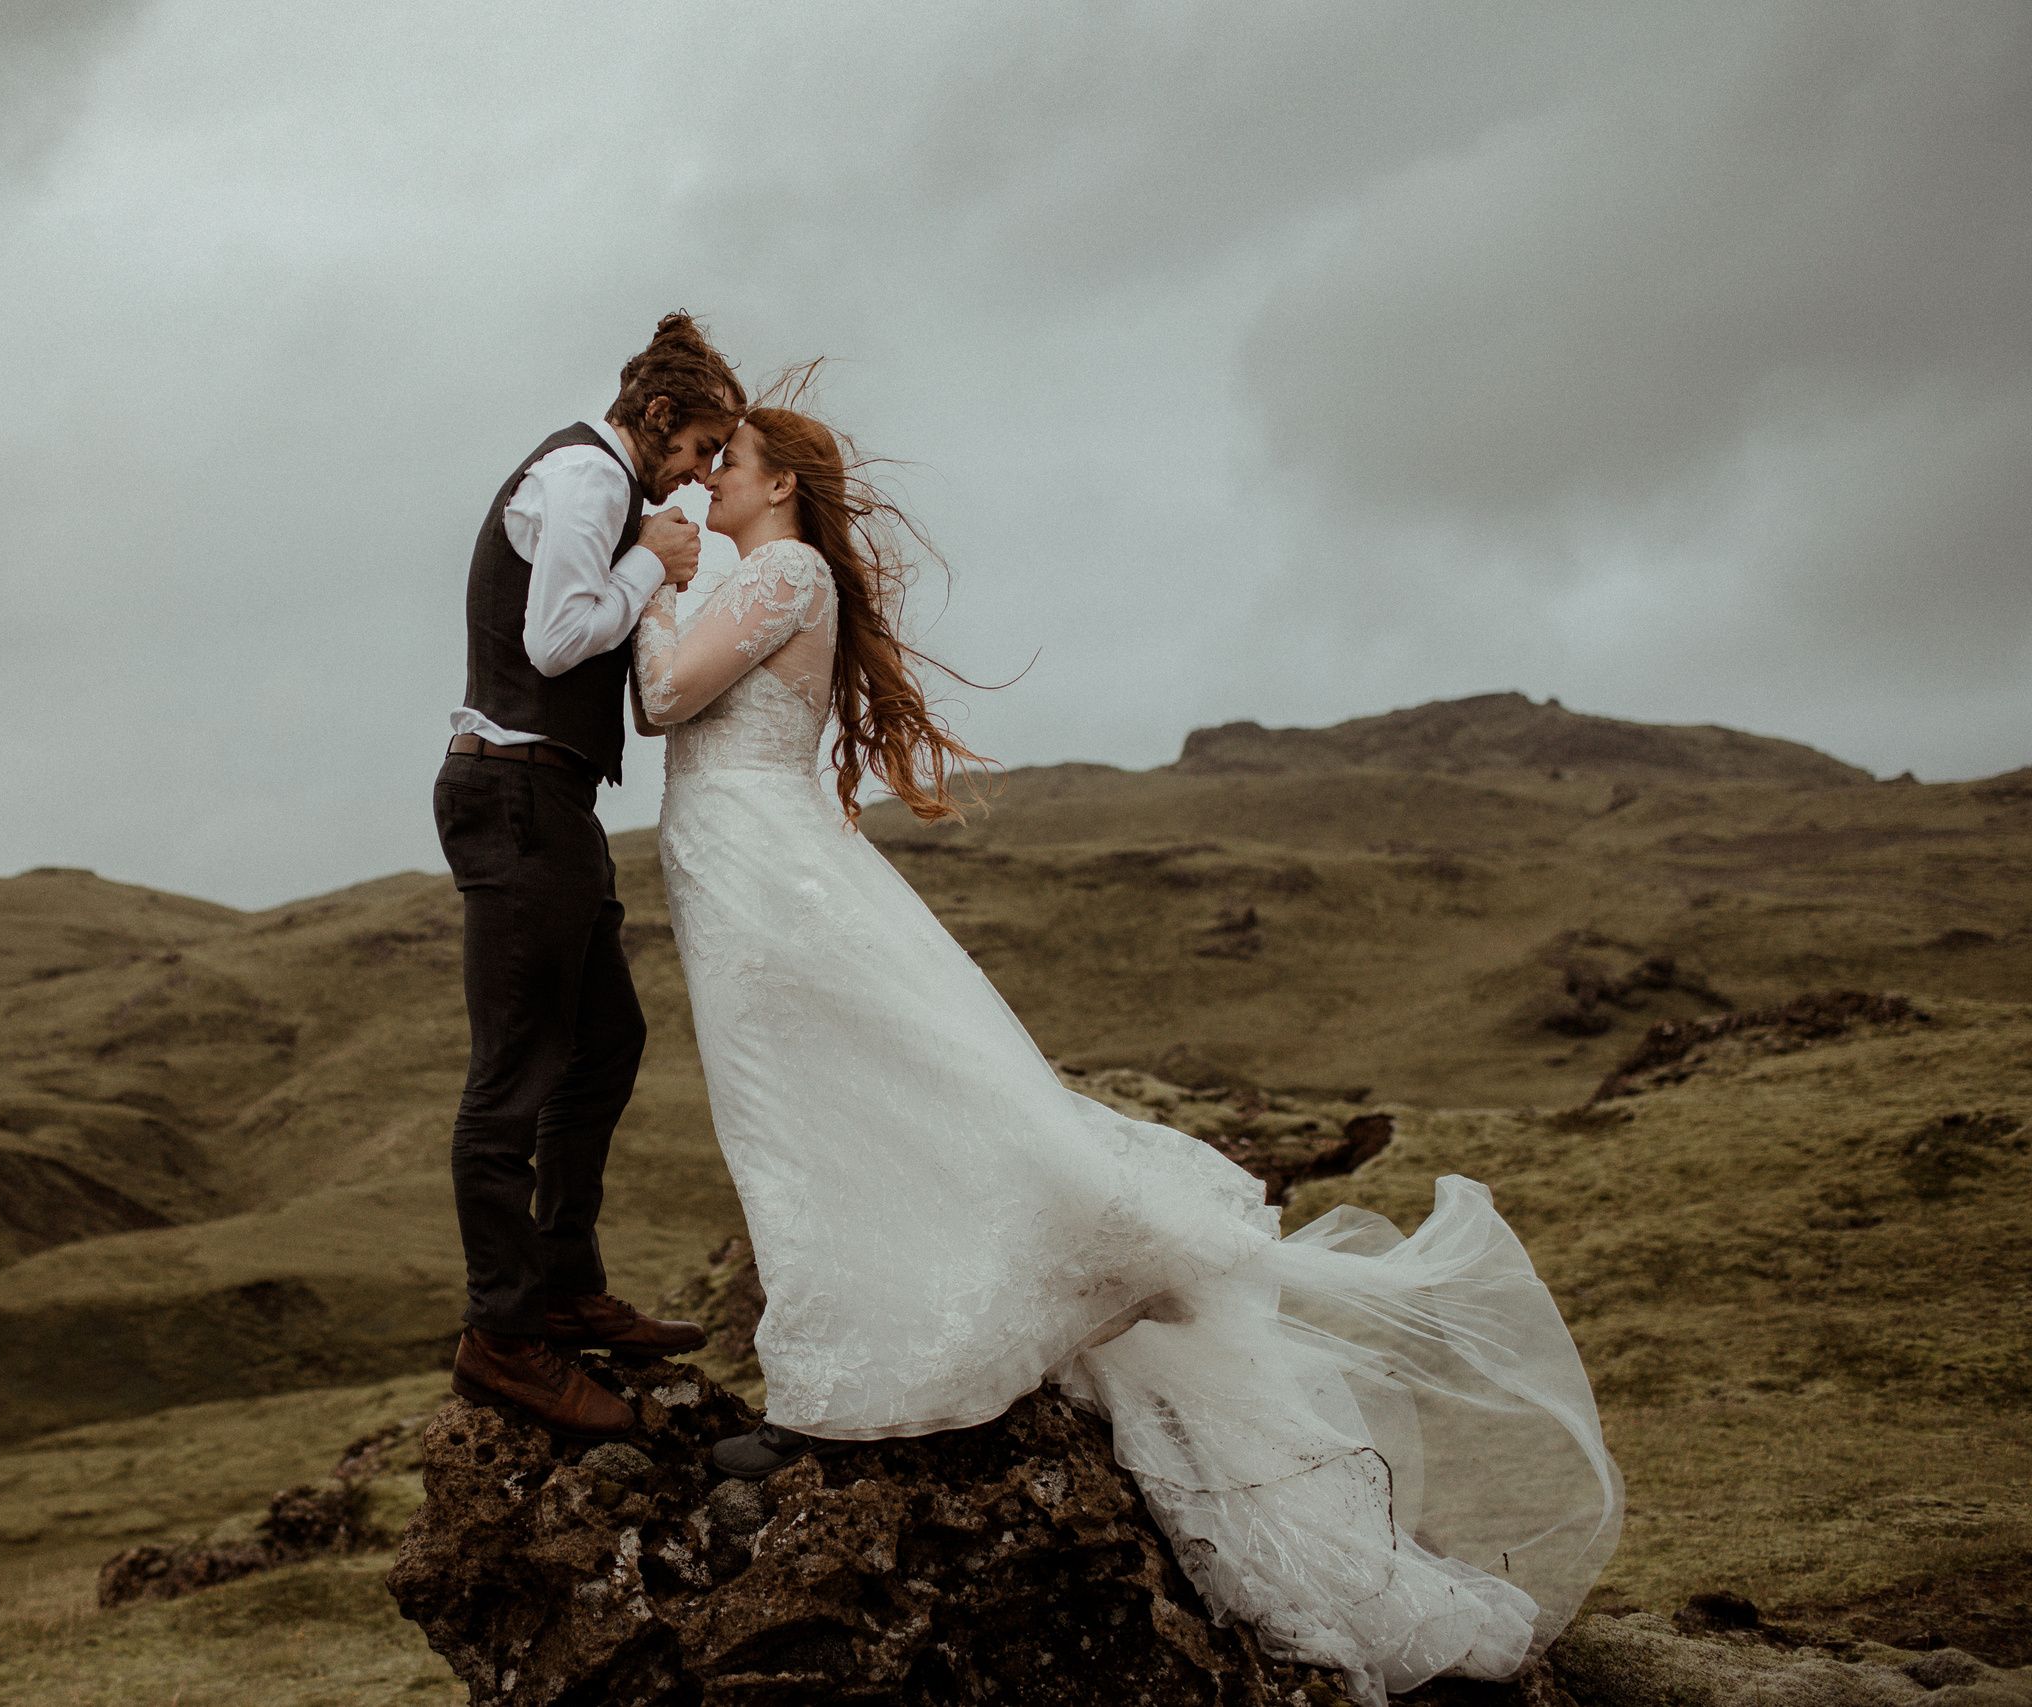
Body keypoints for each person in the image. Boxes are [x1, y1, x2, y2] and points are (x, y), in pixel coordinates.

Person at [630, 378, 1625, 1707]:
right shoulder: (772, 569)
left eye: (732, 461)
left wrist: (645, 573)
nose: (712, 481)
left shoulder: (784, 566)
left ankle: (841, 1375)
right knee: (807, 1111)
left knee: (809, 1108)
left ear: (781, 483)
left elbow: (661, 694)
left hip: (767, 877)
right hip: (744, 872)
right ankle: (847, 1355)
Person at [435, 312, 744, 1441]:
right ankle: (504, 1338)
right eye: (703, 449)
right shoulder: (583, 479)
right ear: (657, 419)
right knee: (509, 1078)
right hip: (513, 789)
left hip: (551, 797)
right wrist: (647, 563)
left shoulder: (607, 485)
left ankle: (565, 1288)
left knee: (605, 1039)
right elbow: (560, 637)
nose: (705, 478)